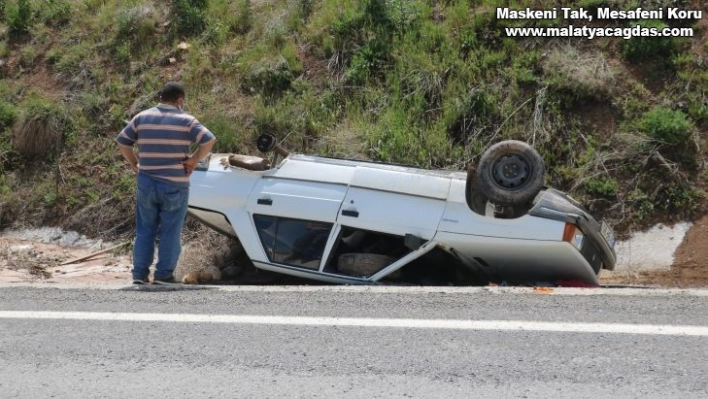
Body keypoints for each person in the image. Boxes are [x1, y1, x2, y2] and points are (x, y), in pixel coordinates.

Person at [116, 82, 216, 284]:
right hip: (174, 184)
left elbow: (122, 141)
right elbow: (208, 140)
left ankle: (139, 275)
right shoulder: (186, 120)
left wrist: (135, 163)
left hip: (146, 182)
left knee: (145, 229)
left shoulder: (142, 117)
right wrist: (194, 160)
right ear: (180, 101)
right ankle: (163, 275)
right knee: (171, 231)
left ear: (160, 99)